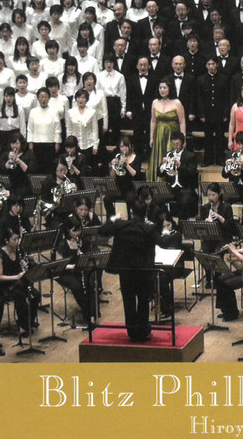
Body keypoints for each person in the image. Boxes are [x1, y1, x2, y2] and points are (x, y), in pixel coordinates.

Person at [100, 199, 166, 342]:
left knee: (128, 301)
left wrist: (114, 218)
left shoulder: (120, 225)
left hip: (126, 271)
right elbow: (162, 242)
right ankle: (142, 331)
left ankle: (132, 332)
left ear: (131, 211)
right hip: (143, 272)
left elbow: (102, 231)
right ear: (145, 213)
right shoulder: (149, 229)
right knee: (143, 300)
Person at [0, 227, 40, 337]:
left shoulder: (19, 250)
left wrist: (24, 266)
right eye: (14, 239)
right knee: (20, 296)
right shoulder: (0, 255)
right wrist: (15, 277)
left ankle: (29, 321)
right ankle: (23, 325)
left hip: (19, 282)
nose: (17, 241)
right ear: (7, 240)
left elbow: (21, 268)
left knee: (36, 295)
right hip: (6, 285)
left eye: (18, 239)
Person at [55, 218, 95, 326]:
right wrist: (74, 266)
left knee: (90, 285)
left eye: (79, 230)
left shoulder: (84, 241)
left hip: (81, 270)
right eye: (74, 231)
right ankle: (87, 314)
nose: (78, 233)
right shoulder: (63, 244)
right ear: (68, 230)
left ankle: (92, 316)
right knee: (76, 286)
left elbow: (89, 256)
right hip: (66, 272)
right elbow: (59, 265)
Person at [146, 77, 185, 181]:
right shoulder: (155, 102)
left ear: (170, 89)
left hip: (172, 133)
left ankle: (170, 181)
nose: (162, 90)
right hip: (159, 134)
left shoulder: (177, 103)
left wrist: (183, 139)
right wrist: (151, 137)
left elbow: (182, 122)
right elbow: (153, 121)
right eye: (160, 88)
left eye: (164, 88)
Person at [158, 131, 198, 219]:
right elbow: (159, 174)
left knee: (183, 203)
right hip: (171, 188)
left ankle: (181, 225)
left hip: (185, 188)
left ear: (183, 143)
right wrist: (162, 166)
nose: (175, 146)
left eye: (178, 144)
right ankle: (167, 222)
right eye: (174, 144)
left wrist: (180, 165)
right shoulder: (168, 154)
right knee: (158, 200)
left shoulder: (190, 156)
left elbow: (192, 173)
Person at [106, 135, 142, 217]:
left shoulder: (136, 158)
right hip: (119, 187)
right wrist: (113, 166)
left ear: (130, 146)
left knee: (130, 199)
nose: (124, 149)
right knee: (107, 199)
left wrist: (126, 164)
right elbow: (112, 176)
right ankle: (112, 219)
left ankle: (130, 219)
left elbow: (136, 175)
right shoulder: (118, 157)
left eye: (126, 146)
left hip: (131, 188)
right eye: (122, 147)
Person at [199, 182, 235, 255]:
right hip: (210, 237)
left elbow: (231, 227)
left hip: (224, 237)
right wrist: (205, 222)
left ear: (219, 194)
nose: (211, 198)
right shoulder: (205, 207)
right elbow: (200, 225)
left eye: (213, 195)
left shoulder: (226, 207)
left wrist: (220, 218)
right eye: (209, 195)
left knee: (217, 251)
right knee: (204, 249)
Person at [65, 88, 99, 162]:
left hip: (89, 144)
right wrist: (69, 145)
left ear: (86, 99)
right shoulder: (70, 112)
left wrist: (95, 145)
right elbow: (69, 129)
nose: (81, 100)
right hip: (75, 146)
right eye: (79, 97)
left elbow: (95, 130)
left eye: (83, 98)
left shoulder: (92, 112)